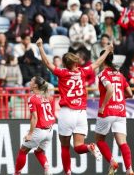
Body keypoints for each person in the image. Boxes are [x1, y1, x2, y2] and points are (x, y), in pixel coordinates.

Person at [37, 38, 114, 175]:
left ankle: (68, 172)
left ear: (65, 64)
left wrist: (40, 47)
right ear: (75, 63)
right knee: (79, 147)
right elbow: (97, 63)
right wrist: (107, 51)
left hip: (67, 113)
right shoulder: (82, 72)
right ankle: (90, 147)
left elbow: (47, 63)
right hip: (81, 114)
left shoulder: (62, 73)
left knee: (65, 146)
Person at [95, 50, 134, 175]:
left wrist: (103, 105)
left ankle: (112, 161)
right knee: (122, 142)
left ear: (102, 59)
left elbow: (110, 89)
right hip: (121, 111)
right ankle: (129, 169)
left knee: (99, 140)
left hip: (107, 111)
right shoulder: (120, 75)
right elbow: (130, 94)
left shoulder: (102, 74)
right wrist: (121, 99)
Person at [14, 76, 55, 175]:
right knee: (39, 152)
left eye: (31, 81)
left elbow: (34, 118)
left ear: (36, 85)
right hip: (50, 130)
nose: (29, 82)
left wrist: (30, 134)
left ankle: (17, 173)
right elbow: (52, 113)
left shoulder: (32, 98)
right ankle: (46, 167)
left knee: (23, 151)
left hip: (39, 130)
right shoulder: (48, 97)